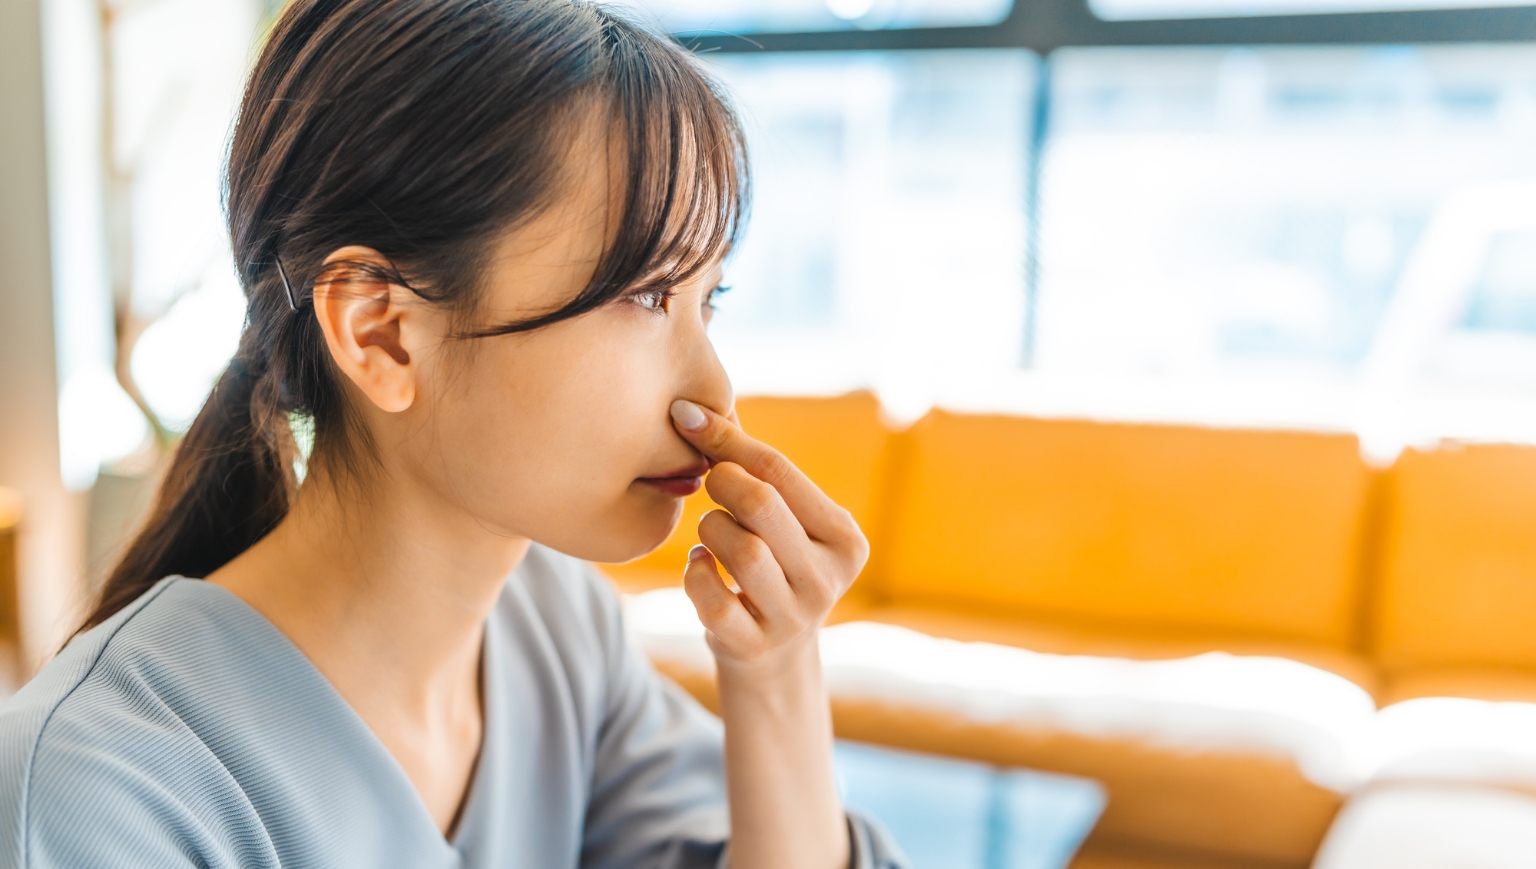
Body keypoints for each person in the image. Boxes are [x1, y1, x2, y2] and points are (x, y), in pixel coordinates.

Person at [0, 2, 906, 867]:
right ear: (381, 334)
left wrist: (775, 669)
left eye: (710, 302)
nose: (715, 388)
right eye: (644, 294)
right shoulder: (98, 790)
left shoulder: (558, 628)